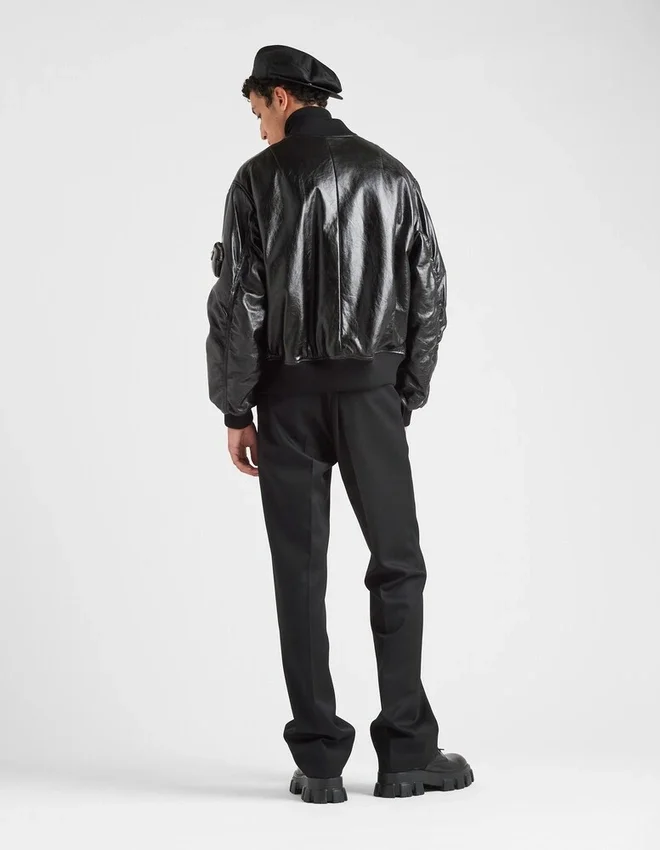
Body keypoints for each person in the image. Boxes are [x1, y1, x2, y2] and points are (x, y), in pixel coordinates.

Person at [205, 44, 474, 804]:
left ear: (281, 96)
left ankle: (320, 760)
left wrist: (237, 407)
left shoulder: (257, 180)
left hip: (285, 403)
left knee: (299, 572)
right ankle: (407, 754)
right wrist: (403, 392)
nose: (258, 126)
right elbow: (430, 292)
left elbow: (239, 301)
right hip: (371, 397)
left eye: (257, 109)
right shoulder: (390, 175)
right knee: (398, 565)